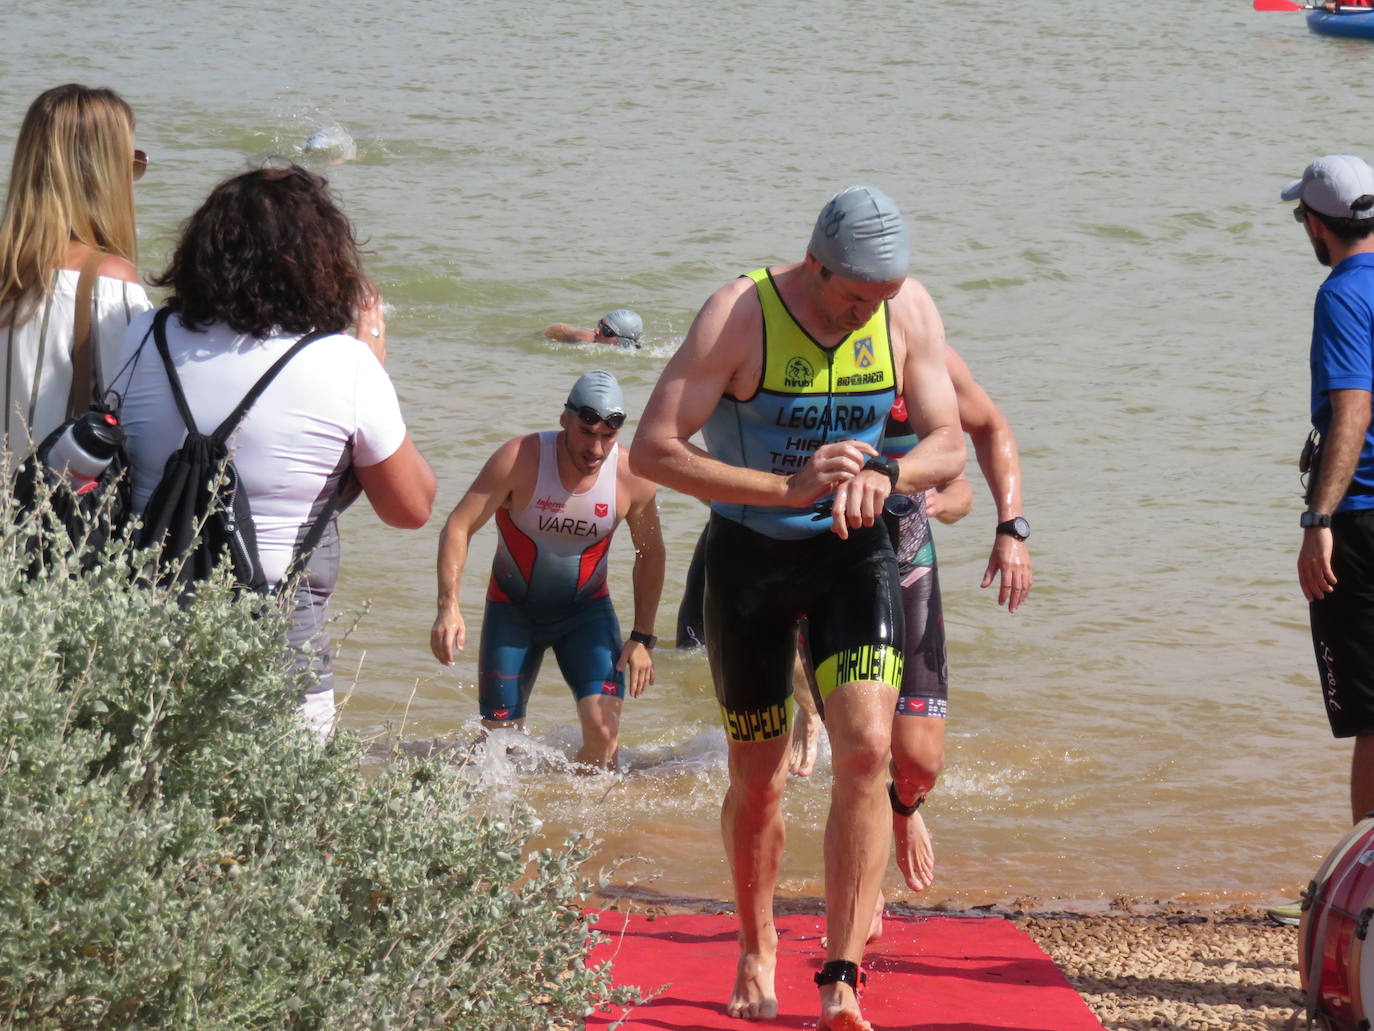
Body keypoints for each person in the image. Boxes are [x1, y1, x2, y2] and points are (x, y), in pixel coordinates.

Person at [631, 185, 964, 1030]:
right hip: (749, 564)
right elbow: (655, 449)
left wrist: (889, 475)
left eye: (881, 299)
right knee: (761, 779)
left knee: (867, 751)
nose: (867, 315)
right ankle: (756, 941)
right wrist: (785, 487)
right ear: (815, 265)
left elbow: (950, 440)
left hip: (855, 556)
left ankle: (841, 973)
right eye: (854, 297)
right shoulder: (739, 315)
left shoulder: (903, 311)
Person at [116, 164, 435, 737]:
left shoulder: (143, 335)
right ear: (319, 261)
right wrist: (375, 358)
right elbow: (410, 507)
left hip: (143, 637)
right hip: (280, 654)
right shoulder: (343, 363)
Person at [790, 345, 1034, 906]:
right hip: (828, 560)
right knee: (864, 750)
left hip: (907, 559)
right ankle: (864, 887)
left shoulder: (927, 358)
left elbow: (989, 431)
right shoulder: (807, 347)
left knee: (920, 763)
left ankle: (904, 811)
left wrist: (1011, 530)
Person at [429, 370, 664, 769]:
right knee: (497, 746)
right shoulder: (519, 460)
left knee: (604, 738)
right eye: (586, 432)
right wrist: (448, 605)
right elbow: (459, 525)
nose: (596, 448)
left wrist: (642, 636)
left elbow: (652, 553)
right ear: (564, 421)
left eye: (608, 437)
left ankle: (586, 825)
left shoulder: (632, 477)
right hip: (513, 612)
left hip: (586, 614)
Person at [1270, 155, 1374, 925]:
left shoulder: (1342, 293)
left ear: (1316, 223)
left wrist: (1319, 520)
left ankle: (1365, 897)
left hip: (1364, 518)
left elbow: (1352, 411)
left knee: (1372, 718)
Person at [0, 84, 152, 452]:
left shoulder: (10, 274)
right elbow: (142, 419)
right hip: (51, 503)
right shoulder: (109, 284)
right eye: (133, 164)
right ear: (106, 176)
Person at [543, 308, 644, 349]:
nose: (596, 331)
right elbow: (557, 328)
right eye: (600, 324)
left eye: (605, 330)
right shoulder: (587, 339)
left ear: (623, 341)